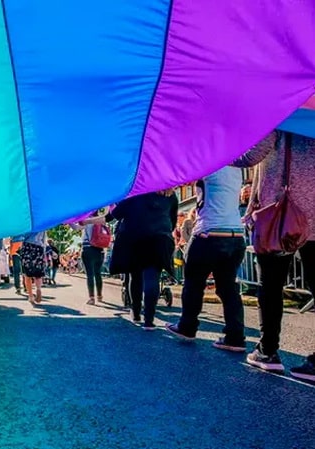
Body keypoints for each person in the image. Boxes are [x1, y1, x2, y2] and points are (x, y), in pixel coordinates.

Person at [233, 130, 315, 378]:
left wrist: (219, 155)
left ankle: (267, 351)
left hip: (281, 216)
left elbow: (252, 156)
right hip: (313, 216)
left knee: (270, 285)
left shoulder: (282, 114)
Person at [166, 166, 247, 351]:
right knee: (229, 289)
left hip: (209, 232)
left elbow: (181, 173)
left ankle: (187, 326)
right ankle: (235, 337)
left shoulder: (209, 165)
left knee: (194, 283)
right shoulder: (237, 169)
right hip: (235, 235)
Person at [85, 191, 178, 329]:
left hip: (134, 239)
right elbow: (173, 221)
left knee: (135, 276)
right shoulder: (170, 194)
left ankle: (135, 314)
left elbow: (110, 217)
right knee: (153, 277)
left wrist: (87, 221)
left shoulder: (135, 192)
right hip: (160, 238)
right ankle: (149, 321)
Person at [73, 210, 106, 305]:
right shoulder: (101, 220)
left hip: (88, 249)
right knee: (98, 273)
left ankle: (92, 298)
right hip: (100, 249)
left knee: (90, 275)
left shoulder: (87, 221)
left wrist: (68, 222)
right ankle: (100, 296)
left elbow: (76, 228)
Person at [17, 231, 47, 304]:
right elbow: (44, 239)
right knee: (38, 273)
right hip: (39, 248)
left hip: (27, 247)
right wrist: (44, 251)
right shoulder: (42, 223)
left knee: (27, 274)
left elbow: (23, 236)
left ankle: (30, 296)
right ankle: (38, 289)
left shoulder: (27, 222)